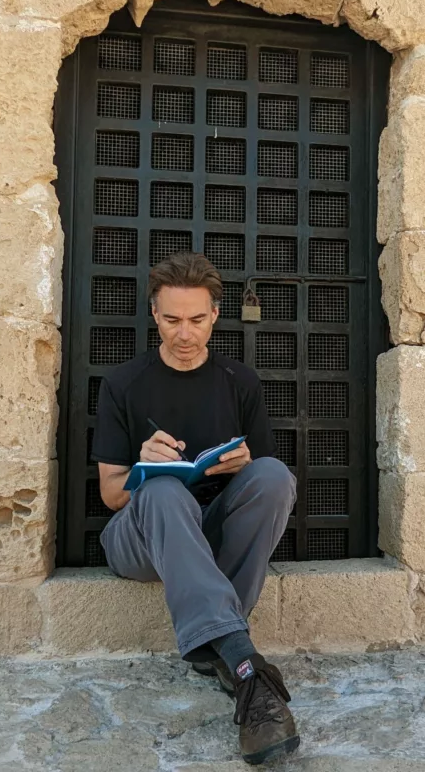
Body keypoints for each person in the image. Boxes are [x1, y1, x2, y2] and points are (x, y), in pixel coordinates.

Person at [92, 252, 299, 765]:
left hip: (207, 534)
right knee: (163, 490)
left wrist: (246, 464)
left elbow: (264, 481)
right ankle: (241, 658)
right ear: (153, 315)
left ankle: (222, 650)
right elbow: (111, 494)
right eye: (171, 320)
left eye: (197, 320)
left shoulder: (239, 381)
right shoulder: (122, 383)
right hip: (138, 539)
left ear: (215, 316)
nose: (184, 333)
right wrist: (143, 466)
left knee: (274, 476)